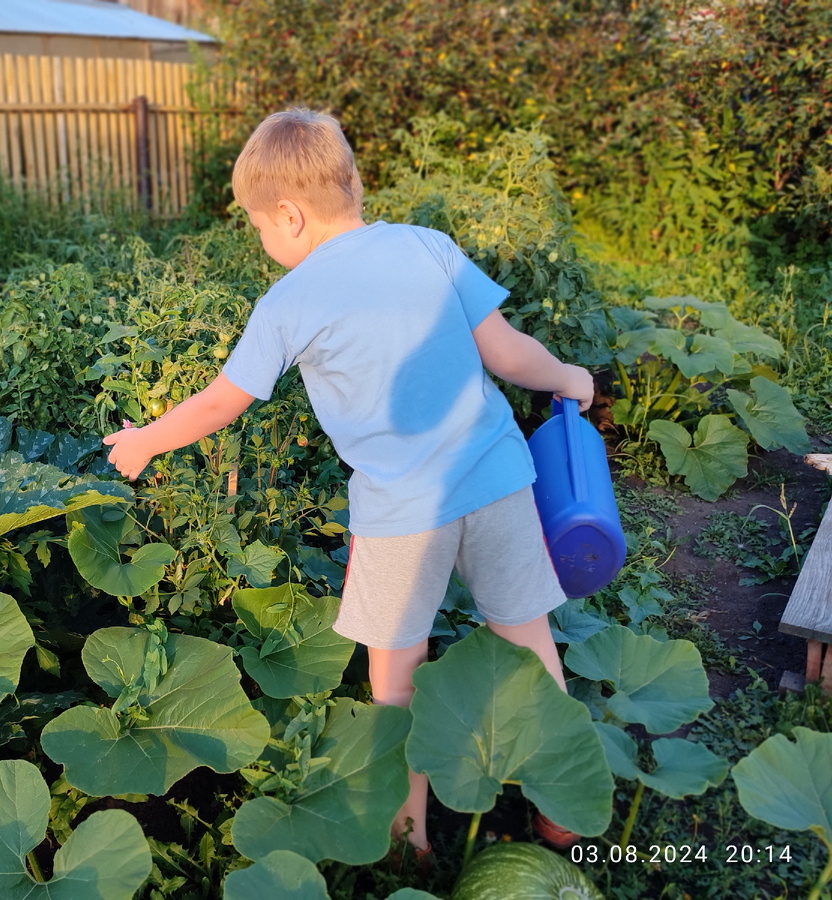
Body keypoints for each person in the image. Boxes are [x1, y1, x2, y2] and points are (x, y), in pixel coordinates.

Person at [102, 107, 594, 856]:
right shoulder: (428, 247)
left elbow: (218, 403)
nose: (263, 241)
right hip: (498, 479)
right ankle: (566, 812)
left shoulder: (288, 301)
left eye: (258, 227)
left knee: (396, 682)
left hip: (402, 516)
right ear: (355, 184)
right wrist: (569, 378)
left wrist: (144, 442)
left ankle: (409, 842)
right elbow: (508, 355)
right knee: (530, 648)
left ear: (289, 216)